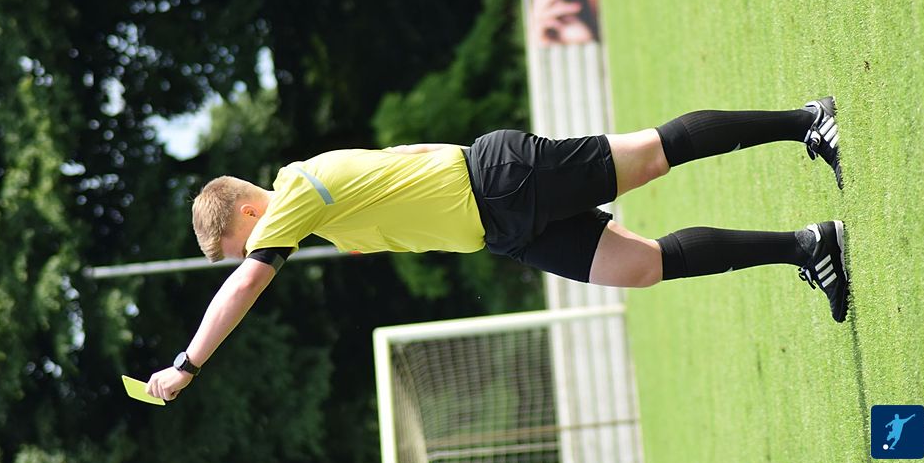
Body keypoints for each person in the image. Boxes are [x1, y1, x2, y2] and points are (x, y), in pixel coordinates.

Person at [146, 96, 850, 401]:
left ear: (249, 211)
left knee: (651, 154)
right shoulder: (316, 204)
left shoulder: (296, 192)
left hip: (502, 183)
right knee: (641, 267)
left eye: (243, 244)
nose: (253, 255)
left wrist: (186, 365)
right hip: (501, 224)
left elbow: (247, 284)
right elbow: (407, 158)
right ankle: (808, 246)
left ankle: (807, 120)